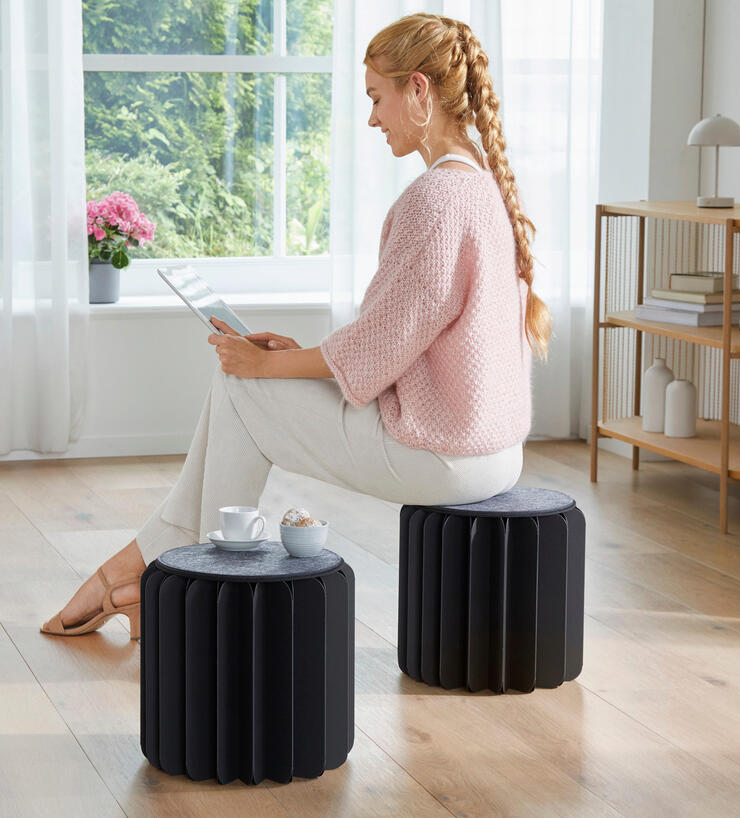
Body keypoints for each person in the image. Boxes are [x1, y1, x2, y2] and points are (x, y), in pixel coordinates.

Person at [40, 12, 551, 639]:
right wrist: (288, 357)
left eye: (376, 98)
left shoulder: (437, 200)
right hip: (490, 448)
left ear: (419, 90)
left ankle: (189, 595)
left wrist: (268, 366)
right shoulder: (476, 184)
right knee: (245, 381)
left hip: (446, 455)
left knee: (239, 384)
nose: (371, 118)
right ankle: (158, 570)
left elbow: (379, 347)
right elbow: (398, 338)